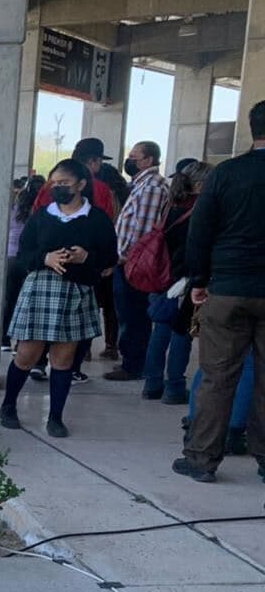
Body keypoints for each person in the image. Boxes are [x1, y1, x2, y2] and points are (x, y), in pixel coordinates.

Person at [173, 100, 265, 483]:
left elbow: (200, 232)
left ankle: (201, 459)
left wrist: (199, 280)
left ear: (251, 128)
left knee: (217, 376)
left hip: (226, 289)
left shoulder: (225, 174)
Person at [1, 158, 118, 437]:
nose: (58, 188)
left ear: (80, 184)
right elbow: (24, 255)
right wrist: (46, 257)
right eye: (55, 183)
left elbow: (110, 259)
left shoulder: (97, 219)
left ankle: (55, 417)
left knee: (63, 358)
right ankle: (8, 406)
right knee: (27, 353)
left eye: (64, 183)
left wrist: (86, 256)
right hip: (41, 287)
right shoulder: (42, 216)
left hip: (76, 291)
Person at [141, 161, 208, 403]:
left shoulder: (170, 206)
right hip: (185, 278)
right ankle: (175, 387)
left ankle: (152, 384)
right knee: (181, 333)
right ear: (201, 184)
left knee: (159, 330)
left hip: (160, 275)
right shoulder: (201, 210)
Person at [105, 141, 171, 381]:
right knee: (130, 313)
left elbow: (141, 232)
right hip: (129, 262)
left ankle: (133, 364)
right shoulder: (142, 185)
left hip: (133, 265)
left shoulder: (152, 187)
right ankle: (133, 361)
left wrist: (122, 259)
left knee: (133, 315)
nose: (129, 161)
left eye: (134, 157)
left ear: (149, 160)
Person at [2, 175, 45, 351]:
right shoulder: (41, 211)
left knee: (9, 300)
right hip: (29, 259)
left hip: (11, 257)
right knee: (26, 303)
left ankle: (4, 339)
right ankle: (21, 343)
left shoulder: (15, 207)